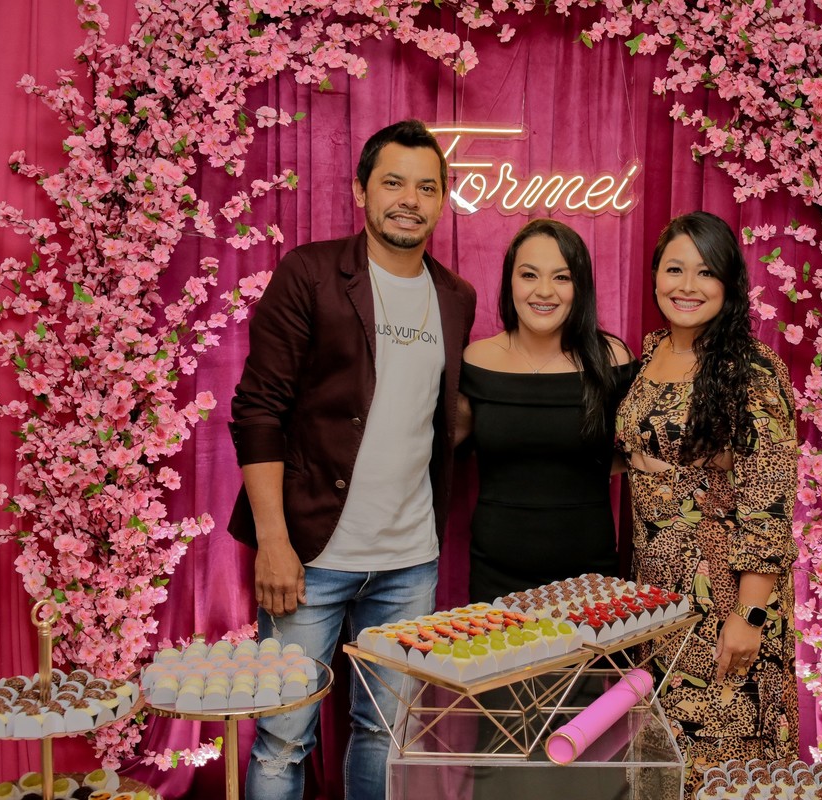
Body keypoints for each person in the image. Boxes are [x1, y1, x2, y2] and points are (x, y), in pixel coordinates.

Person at [227, 118, 477, 800]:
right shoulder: (310, 274)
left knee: (386, 734)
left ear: (442, 200)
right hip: (309, 555)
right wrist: (273, 542)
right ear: (362, 190)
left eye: (427, 187)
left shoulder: (455, 298)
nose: (410, 200)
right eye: (393, 182)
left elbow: (433, 410)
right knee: (283, 739)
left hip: (410, 561)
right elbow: (258, 410)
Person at [614, 211, 799, 793]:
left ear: (729, 283)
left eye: (706, 272)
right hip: (656, 597)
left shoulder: (752, 370)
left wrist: (750, 617)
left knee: (723, 758)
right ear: (655, 276)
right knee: (662, 756)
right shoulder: (649, 355)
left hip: (724, 596)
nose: (687, 286)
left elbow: (768, 499)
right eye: (674, 269)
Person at [460, 218, 635, 603]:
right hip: (495, 576)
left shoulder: (612, 359)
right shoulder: (475, 360)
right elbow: (448, 443)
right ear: (510, 281)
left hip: (589, 579)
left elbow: (642, 445)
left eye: (562, 277)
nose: (544, 291)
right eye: (529, 275)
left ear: (580, 286)